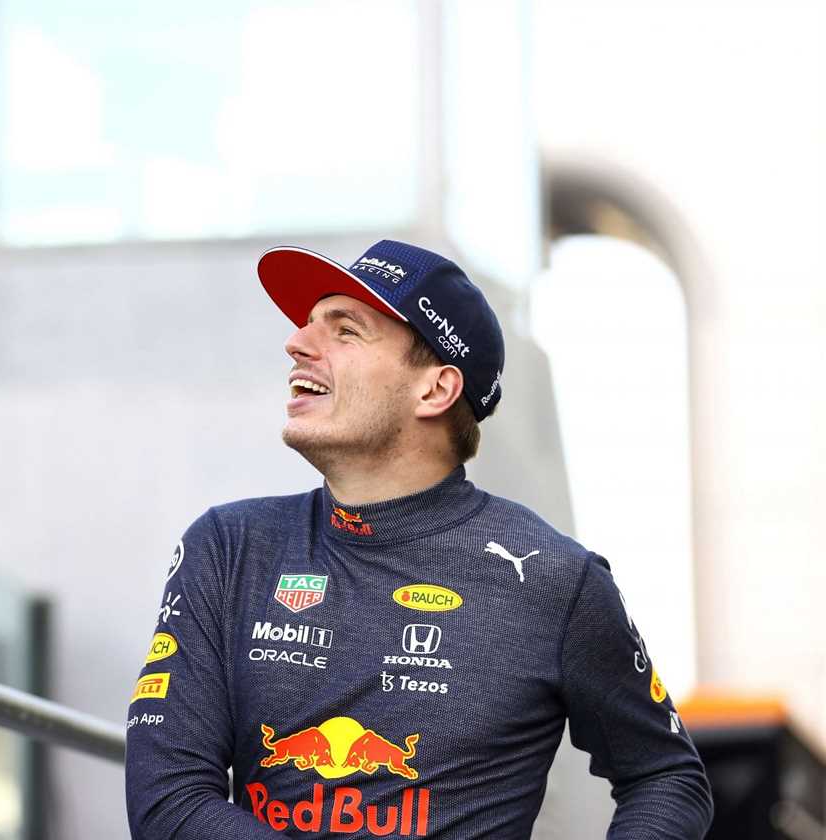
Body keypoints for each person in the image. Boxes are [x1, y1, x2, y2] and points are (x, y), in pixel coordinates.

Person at [125, 240, 713, 838]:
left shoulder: (556, 578)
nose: (297, 342)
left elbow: (667, 777)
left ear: (434, 390)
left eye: (346, 330)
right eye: (308, 324)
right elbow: (167, 799)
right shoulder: (230, 548)